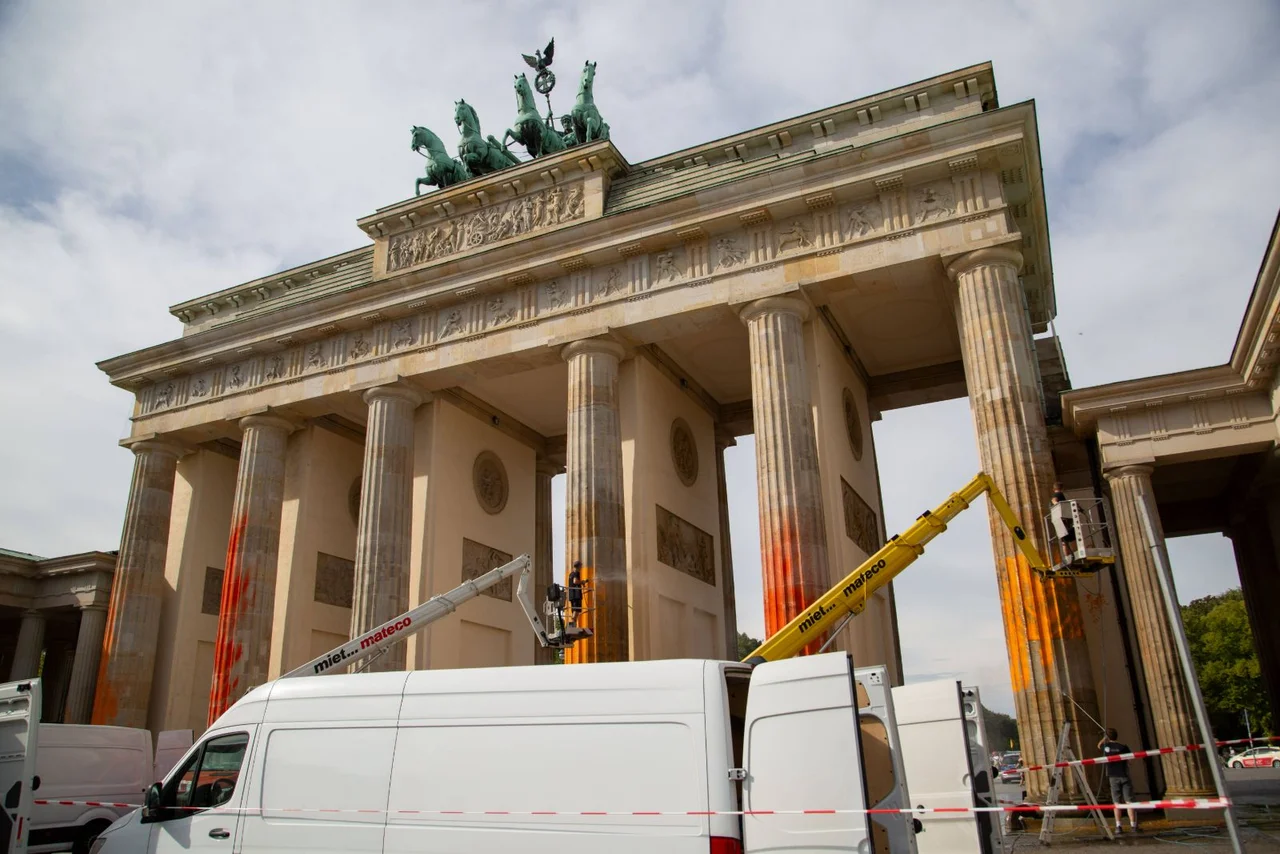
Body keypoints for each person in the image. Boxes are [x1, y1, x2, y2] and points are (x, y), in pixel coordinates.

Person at [1098, 728, 1138, 833]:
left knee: (1116, 802)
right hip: (1124, 775)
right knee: (1129, 801)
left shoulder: (1106, 747)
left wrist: (1104, 739)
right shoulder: (1123, 747)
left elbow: (1099, 745)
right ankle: (1133, 825)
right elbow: (1130, 760)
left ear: (1107, 737)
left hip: (1113, 776)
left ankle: (1118, 826)